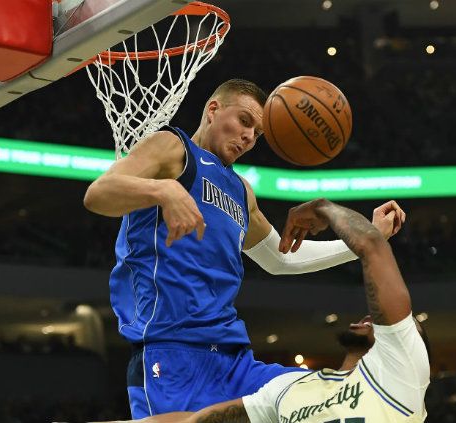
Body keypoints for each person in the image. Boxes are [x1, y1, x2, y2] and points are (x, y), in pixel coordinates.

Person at [83, 79, 404, 418]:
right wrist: (165, 191)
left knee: (335, 398)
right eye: (245, 121)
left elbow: (279, 259)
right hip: (173, 355)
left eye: (258, 133)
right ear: (213, 110)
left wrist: (366, 239)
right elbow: (99, 194)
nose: (250, 136)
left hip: (236, 362)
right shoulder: (172, 148)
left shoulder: (241, 191)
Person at [99, 198, 430, 423]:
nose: (375, 317)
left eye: (405, 325)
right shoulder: (291, 387)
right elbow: (195, 421)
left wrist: (323, 207)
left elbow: (370, 247)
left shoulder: (402, 377)